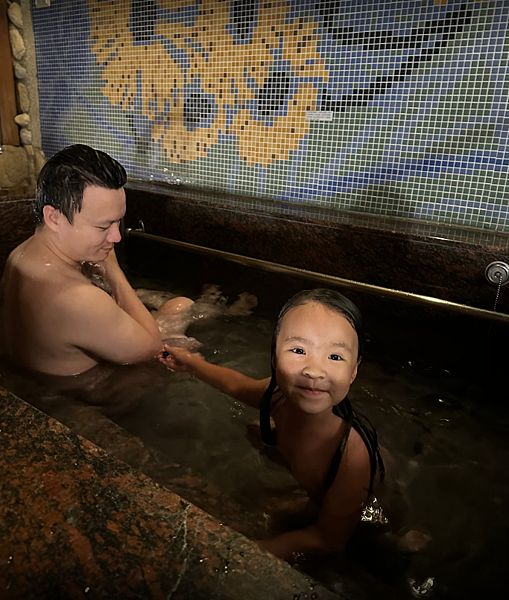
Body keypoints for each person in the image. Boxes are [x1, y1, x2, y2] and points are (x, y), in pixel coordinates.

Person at [159, 288, 385, 561]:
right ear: (275, 358)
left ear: (354, 371)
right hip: (318, 485)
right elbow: (236, 384)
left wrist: (238, 552)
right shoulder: (276, 394)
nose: (314, 370)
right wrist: (191, 364)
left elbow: (328, 540)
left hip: (373, 511)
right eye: (299, 350)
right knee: (257, 429)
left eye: (335, 356)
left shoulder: (352, 459)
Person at [0, 144, 189, 376]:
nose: (116, 237)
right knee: (181, 306)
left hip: (32, 375)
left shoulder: (21, 254)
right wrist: (114, 272)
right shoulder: (76, 299)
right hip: (91, 395)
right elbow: (151, 349)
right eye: (102, 226)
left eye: (117, 222)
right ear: (53, 217)